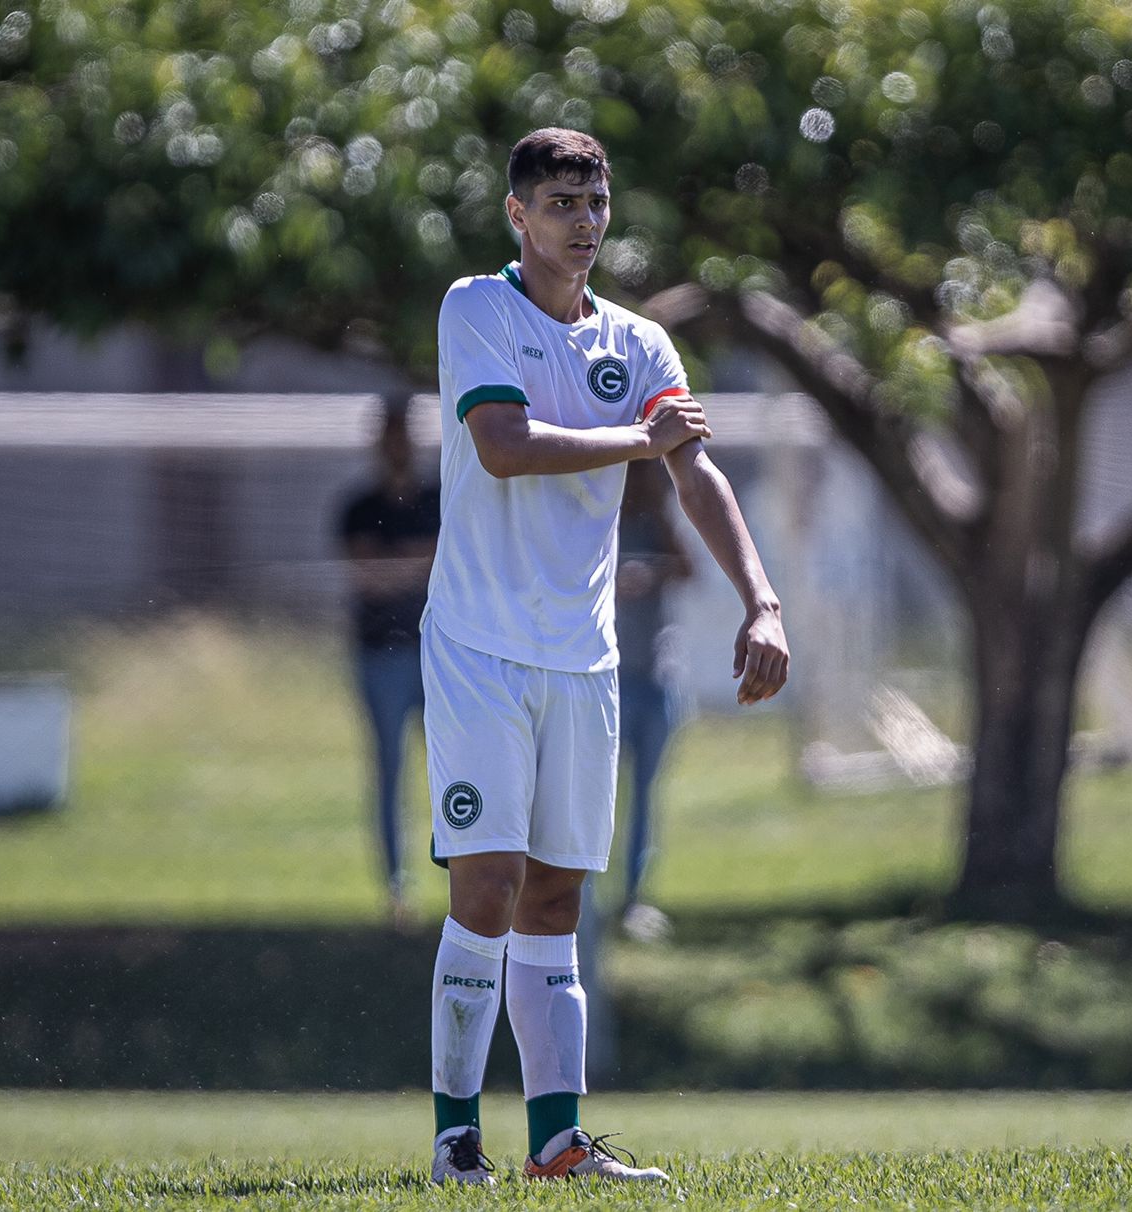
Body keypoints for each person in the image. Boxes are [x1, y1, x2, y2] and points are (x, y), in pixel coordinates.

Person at [421, 128, 789, 1187]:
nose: (583, 221)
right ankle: (455, 1142)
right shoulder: (476, 309)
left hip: (584, 658)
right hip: (479, 648)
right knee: (488, 886)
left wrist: (761, 602)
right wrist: (643, 440)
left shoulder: (639, 342)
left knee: (556, 900)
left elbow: (696, 474)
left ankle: (557, 1143)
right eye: (560, 203)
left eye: (595, 202)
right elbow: (505, 446)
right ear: (517, 215)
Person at [338, 403, 440, 928]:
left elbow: (443, 563)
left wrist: (397, 563)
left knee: (452, 766)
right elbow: (367, 577)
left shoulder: (438, 500)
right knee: (388, 770)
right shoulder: (359, 506)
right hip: (380, 654)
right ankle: (397, 888)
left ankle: (461, 877)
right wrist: (415, 563)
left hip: (436, 654)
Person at [615, 459, 693, 940]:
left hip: (657, 678)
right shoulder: (601, 520)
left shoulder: (661, 523)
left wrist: (662, 512)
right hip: (611, 680)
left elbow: (688, 570)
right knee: (600, 796)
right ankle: (587, 894)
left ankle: (634, 896)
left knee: (645, 795)